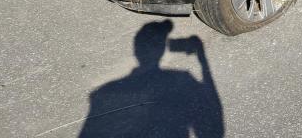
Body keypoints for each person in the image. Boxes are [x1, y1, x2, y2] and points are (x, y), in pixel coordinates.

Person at [79, 20, 224, 137]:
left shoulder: (103, 93)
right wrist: (202, 59)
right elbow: (214, 129)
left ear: (136, 51)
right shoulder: (182, 80)